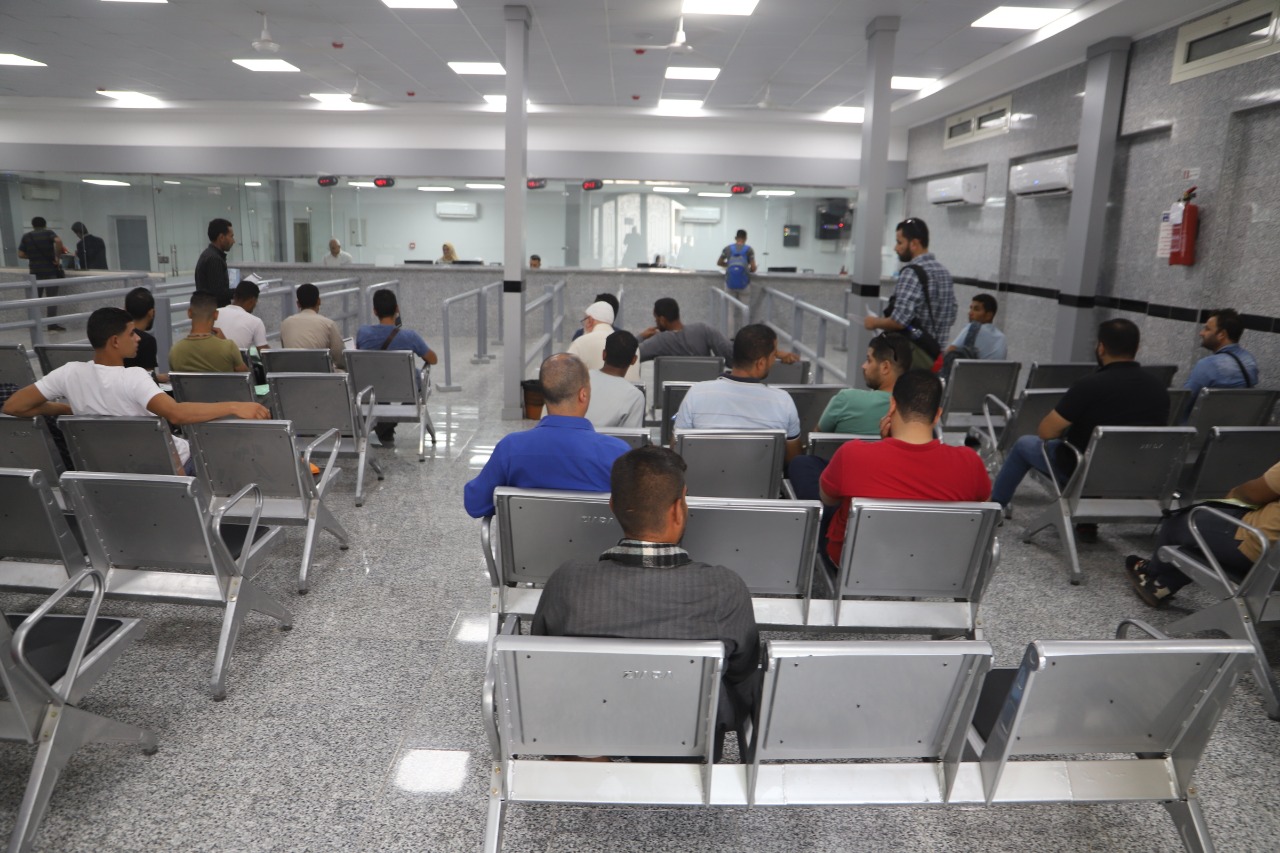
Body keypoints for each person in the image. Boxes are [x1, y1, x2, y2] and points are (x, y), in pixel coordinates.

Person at [532, 446, 760, 758]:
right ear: (678, 509)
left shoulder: (567, 581)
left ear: (613, 506)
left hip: (594, 724)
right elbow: (741, 672)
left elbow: (543, 661)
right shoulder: (725, 588)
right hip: (688, 733)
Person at [1, 307, 269, 475]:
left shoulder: (68, 373)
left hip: (115, 471)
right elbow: (176, 414)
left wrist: (65, 409)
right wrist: (234, 406)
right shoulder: (133, 377)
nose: (138, 338)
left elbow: (13, 406)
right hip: (174, 467)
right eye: (132, 334)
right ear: (115, 341)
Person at [989, 318, 1170, 515]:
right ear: (1137, 347)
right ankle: (1086, 523)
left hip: (1083, 472)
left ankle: (995, 506)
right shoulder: (1158, 388)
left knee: (1023, 444)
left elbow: (1046, 432)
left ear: (1101, 348)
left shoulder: (1090, 385)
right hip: (1136, 474)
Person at [819, 370, 991, 565]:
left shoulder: (852, 454)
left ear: (892, 405)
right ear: (937, 415)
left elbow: (828, 498)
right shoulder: (970, 462)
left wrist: (884, 445)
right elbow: (985, 510)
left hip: (857, 564)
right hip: (937, 567)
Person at [463, 354, 629, 517]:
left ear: (544, 394)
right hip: (596, 537)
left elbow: (475, 504)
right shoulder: (617, 453)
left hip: (526, 536)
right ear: (583, 394)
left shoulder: (511, 448)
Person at [1126, 462, 1280, 607]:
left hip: (1259, 550)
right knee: (1207, 536)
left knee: (1178, 521)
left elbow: (1253, 494)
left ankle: (1152, 575)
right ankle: (1164, 583)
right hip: (1275, 568)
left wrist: (1233, 495)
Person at [673, 323, 803, 462]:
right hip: (758, 477)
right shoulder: (784, 402)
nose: (775, 359)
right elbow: (794, 460)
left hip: (704, 476)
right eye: (774, 354)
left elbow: (676, 450)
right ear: (760, 363)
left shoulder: (696, 393)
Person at [864, 217, 957, 370]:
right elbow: (952, 315)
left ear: (914, 243)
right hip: (935, 359)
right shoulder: (944, 273)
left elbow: (899, 321)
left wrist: (874, 322)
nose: (896, 248)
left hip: (913, 359)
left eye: (899, 242)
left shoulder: (911, 273)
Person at [1181, 309, 1259, 418]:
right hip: (1235, 425)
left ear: (1222, 334)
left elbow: (1182, 403)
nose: (1201, 333)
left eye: (1207, 329)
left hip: (1201, 426)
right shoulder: (1249, 360)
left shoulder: (1208, 365)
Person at [168, 292, 248, 374]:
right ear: (216, 315)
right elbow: (245, 376)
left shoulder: (175, 351)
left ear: (189, 313)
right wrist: (224, 341)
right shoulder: (229, 347)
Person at [638, 297, 733, 362]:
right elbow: (730, 355)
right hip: (703, 385)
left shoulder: (659, 341)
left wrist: (641, 337)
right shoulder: (703, 330)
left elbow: (632, 355)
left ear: (662, 320)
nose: (655, 322)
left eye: (656, 319)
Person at [585, 330, 645, 429]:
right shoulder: (635, 396)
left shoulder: (581, 379)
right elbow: (631, 436)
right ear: (634, 360)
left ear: (604, 354)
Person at [280, 282, 346, 369]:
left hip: (292, 374)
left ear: (298, 304)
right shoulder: (328, 324)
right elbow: (340, 357)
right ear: (319, 301)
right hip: (320, 374)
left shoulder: (285, 323)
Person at [567, 300, 639, 380]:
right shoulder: (631, 345)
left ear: (590, 321)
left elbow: (565, 373)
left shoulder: (580, 343)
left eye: (584, 320)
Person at [18, 216, 67, 331]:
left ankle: (34, 324)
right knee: (51, 299)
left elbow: (20, 254)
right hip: (50, 271)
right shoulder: (48, 233)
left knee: (35, 300)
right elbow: (58, 241)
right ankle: (51, 324)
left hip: (34, 273)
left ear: (33, 225)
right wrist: (57, 257)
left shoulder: (27, 236)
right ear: (45, 225)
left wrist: (32, 257)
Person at [944, 294, 1007, 367]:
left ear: (988, 315)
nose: (970, 313)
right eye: (971, 308)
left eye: (976, 309)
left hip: (970, 373)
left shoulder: (972, 329)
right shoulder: (1002, 338)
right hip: (995, 374)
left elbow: (948, 354)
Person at [215, 281, 270, 352]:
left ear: (234, 296)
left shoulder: (215, 313)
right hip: (235, 358)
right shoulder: (256, 322)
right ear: (252, 300)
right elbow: (265, 352)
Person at [718, 229, 760, 320]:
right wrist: (748, 268)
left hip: (729, 283)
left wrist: (729, 264)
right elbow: (753, 268)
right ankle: (745, 329)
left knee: (730, 311)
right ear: (746, 238)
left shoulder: (727, 249)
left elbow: (719, 262)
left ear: (735, 238)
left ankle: (729, 330)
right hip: (744, 284)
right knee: (745, 310)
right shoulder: (749, 250)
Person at [194, 218, 235, 308]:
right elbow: (219, 293)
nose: (233, 241)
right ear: (221, 237)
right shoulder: (214, 259)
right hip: (215, 312)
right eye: (231, 236)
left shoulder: (208, 254)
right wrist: (240, 292)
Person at [122, 286, 160, 375]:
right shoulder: (147, 341)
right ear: (151, 313)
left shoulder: (117, 334)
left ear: (125, 310)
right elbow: (147, 377)